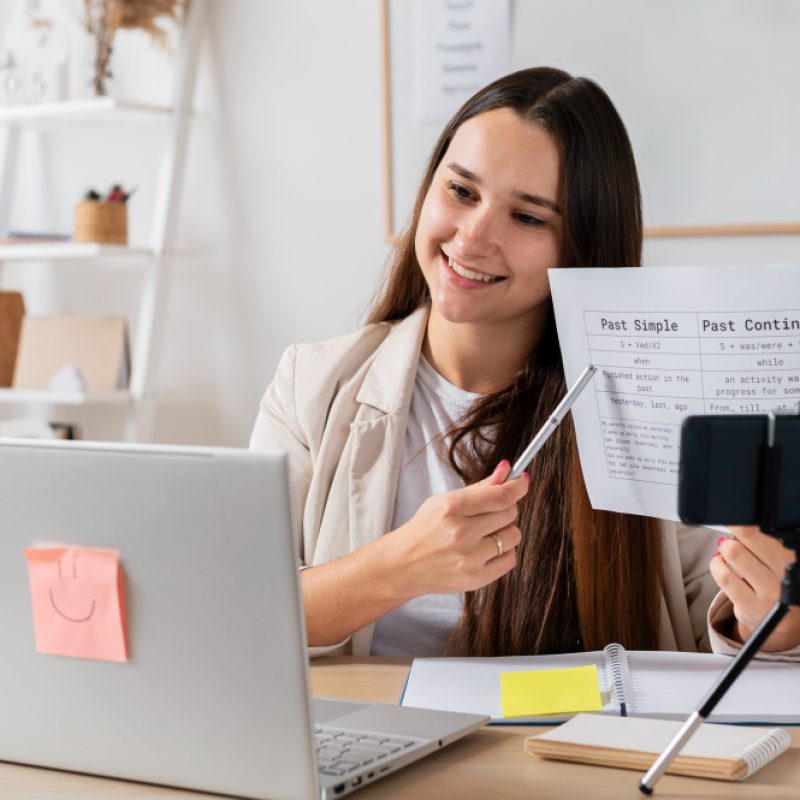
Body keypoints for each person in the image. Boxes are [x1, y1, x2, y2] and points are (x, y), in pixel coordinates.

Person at [250, 66, 800, 659]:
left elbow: (707, 634)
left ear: (583, 247)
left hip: (556, 750)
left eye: (529, 217)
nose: (472, 238)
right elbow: (236, 611)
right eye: (461, 191)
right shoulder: (311, 385)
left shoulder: (646, 404)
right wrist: (400, 567)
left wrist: (772, 617)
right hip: (364, 743)